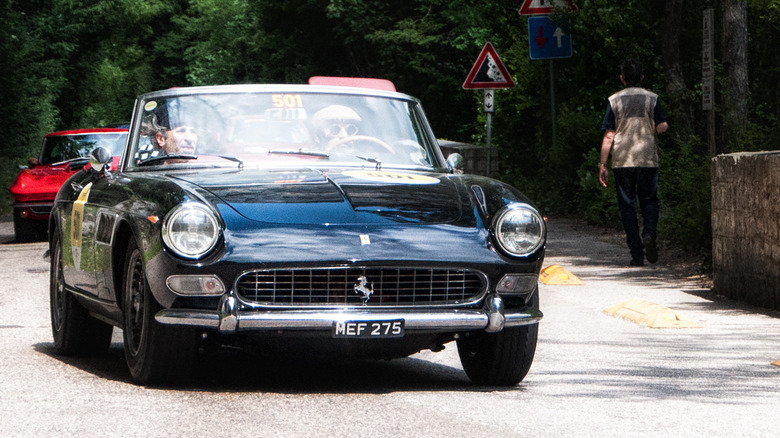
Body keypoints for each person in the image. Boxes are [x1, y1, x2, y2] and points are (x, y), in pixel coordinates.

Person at [598, 59, 669, 267]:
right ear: (642, 78)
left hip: (622, 161)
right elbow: (663, 126)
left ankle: (636, 254)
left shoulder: (614, 101)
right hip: (647, 158)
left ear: (622, 78)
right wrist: (653, 129)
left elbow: (609, 135)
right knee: (649, 201)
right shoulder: (652, 99)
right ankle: (649, 233)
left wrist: (602, 164)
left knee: (627, 207)